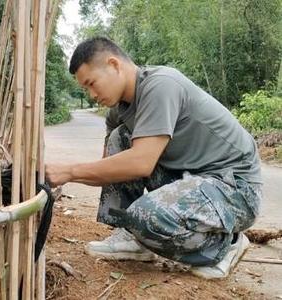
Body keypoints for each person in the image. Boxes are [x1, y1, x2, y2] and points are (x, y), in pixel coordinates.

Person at [45, 37, 262, 279]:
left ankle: (226, 246)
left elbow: (140, 162)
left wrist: (69, 171)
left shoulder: (161, 85)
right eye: (86, 89)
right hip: (192, 179)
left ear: (114, 64)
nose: (92, 94)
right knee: (121, 138)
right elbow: (107, 168)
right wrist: (58, 173)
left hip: (235, 187)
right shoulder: (118, 112)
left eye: (92, 83)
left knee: (146, 215)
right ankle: (131, 237)